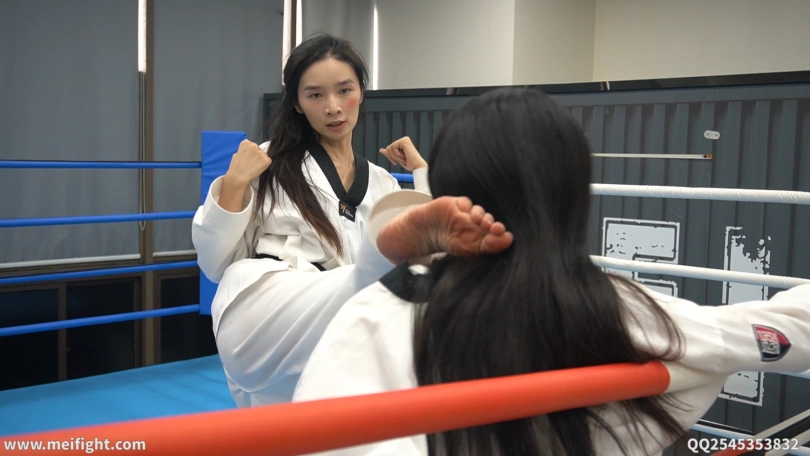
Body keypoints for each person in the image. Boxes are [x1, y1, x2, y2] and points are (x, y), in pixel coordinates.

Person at [292, 87, 810, 455]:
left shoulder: (376, 314)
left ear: (447, 189)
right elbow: (776, 333)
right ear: (571, 198)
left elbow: (322, 434)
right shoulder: (619, 312)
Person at [191, 33, 437, 407]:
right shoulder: (268, 161)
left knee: (303, 429)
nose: (333, 107)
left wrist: (422, 173)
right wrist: (235, 184)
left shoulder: (382, 182)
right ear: (298, 104)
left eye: (344, 90)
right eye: (316, 95)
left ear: (361, 93)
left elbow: (424, 248)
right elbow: (213, 262)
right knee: (391, 281)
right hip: (264, 310)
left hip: (331, 332)